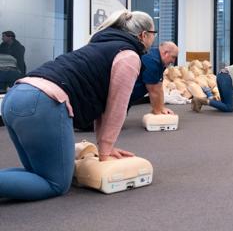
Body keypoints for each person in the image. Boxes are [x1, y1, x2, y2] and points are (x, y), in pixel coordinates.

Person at [0, 10, 156, 201]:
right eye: (153, 35)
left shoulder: (99, 45)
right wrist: (105, 152)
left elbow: (103, 104)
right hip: (43, 101)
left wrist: (104, 147)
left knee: (36, 171)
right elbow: (116, 107)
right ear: (144, 35)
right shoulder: (128, 56)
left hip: (15, 96)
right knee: (54, 183)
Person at [130, 41, 179, 115]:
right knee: (111, 124)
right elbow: (154, 91)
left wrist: (162, 108)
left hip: (129, 96)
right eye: (173, 57)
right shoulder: (152, 61)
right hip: (120, 96)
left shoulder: (160, 61)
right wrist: (158, 113)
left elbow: (159, 87)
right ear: (166, 53)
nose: (173, 61)